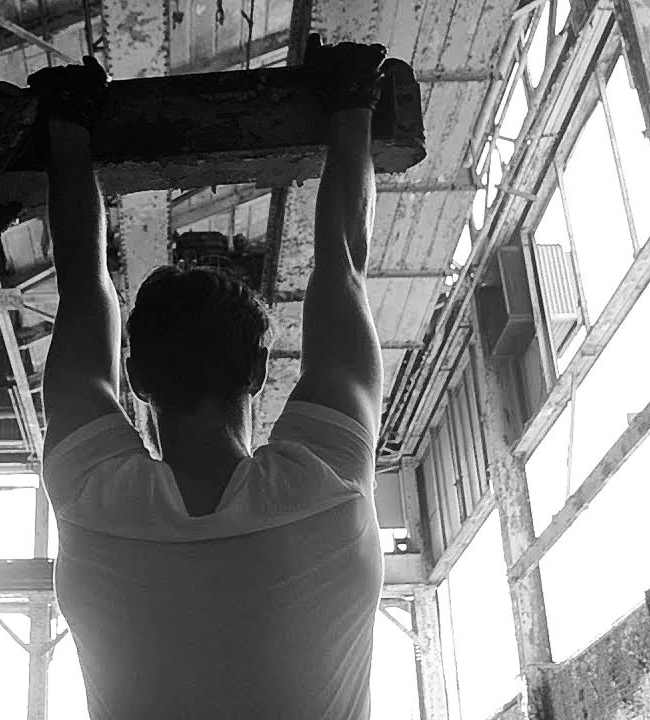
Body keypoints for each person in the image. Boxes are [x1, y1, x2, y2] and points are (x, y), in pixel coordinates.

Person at [30, 37, 387, 719]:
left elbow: (80, 288)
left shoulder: (90, 499)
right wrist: (354, 100)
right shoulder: (328, 487)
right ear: (258, 371)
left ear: (135, 377)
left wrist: (67, 130)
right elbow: (345, 264)